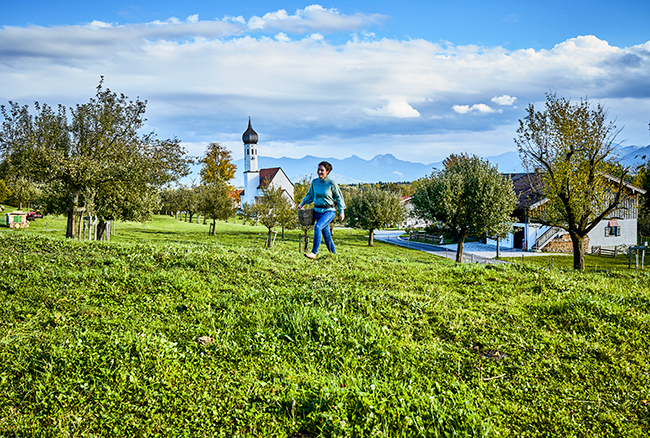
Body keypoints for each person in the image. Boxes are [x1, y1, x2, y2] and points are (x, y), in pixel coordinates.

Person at [297, 161, 346, 259]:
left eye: (322, 170)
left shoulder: (332, 183)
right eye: (318, 169)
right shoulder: (315, 182)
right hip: (317, 211)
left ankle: (313, 253)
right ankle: (334, 255)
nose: (319, 172)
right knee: (326, 234)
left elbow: (339, 197)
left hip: (329, 211)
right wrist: (302, 204)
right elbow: (310, 195)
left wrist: (341, 211)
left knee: (318, 227)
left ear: (327, 171)